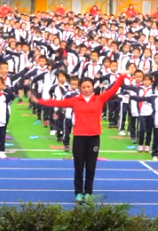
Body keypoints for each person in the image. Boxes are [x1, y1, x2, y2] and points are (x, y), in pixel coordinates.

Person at [34, 73, 126, 203]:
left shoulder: (99, 99)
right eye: (83, 87)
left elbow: (113, 90)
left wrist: (121, 77)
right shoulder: (75, 100)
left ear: (93, 87)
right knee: (78, 167)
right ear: (79, 88)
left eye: (89, 86)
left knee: (91, 168)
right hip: (79, 137)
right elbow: (58, 102)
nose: (86, 89)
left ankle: (88, 192)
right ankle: (78, 193)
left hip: (94, 137)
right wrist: (40, 101)